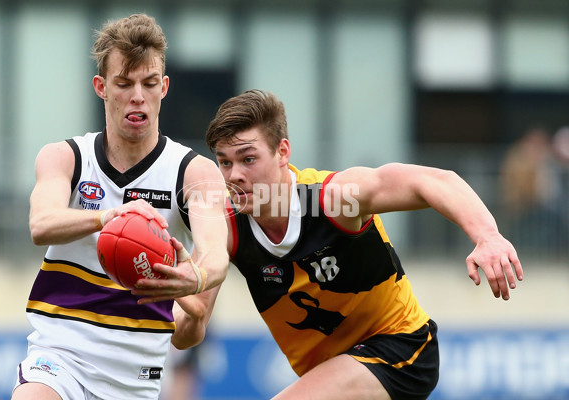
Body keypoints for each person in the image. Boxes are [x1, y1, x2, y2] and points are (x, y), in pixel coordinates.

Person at [204, 89, 524, 400]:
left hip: (401, 349)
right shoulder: (225, 225)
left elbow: (435, 181)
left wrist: (487, 235)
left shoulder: (334, 199)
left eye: (248, 159)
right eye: (225, 163)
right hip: (335, 369)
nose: (235, 176)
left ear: (283, 152)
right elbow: (190, 326)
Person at [12, 14, 229, 400]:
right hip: (60, 357)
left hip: (136, 379)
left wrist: (194, 296)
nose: (137, 96)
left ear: (164, 87)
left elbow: (214, 257)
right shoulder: (66, 157)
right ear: (101, 87)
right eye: (124, 84)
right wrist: (111, 218)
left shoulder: (195, 173)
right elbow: (40, 223)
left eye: (148, 84)